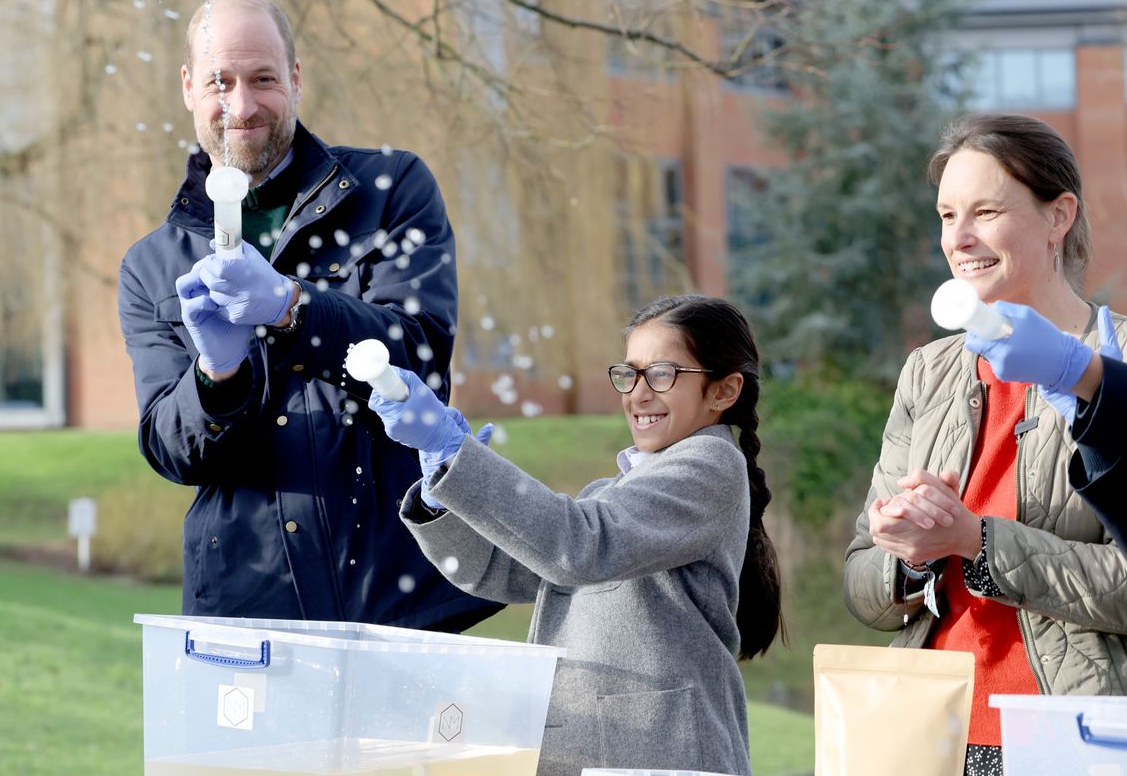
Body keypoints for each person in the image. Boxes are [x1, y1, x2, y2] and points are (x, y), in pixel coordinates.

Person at [116, 0, 500, 631]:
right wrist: (216, 376)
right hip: (248, 612)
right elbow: (172, 452)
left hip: (400, 599)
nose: (242, 106)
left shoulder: (389, 191)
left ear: (295, 78)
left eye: (263, 79)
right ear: (188, 88)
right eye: (220, 82)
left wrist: (295, 308)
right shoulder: (151, 265)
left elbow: (422, 356)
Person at [369, 294, 782, 776]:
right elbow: (498, 571)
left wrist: (458, 456)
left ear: (723, 391)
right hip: (592, 753)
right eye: (630, 374)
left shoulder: (709, 464)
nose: (638, 393)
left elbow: (580, 547)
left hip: (661, 756)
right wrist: (444, 492)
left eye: (663, 374)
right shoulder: (609, 492)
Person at [844, 113, 1127, 776]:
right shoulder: (929, 370)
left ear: (1058, 216)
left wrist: (977, 542)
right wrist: (908, 556)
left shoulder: (1119, 370)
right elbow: (863, 585)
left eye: (986, 211)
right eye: (946, 215)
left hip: (1076, 735)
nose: (959, 238)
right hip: (927, 739)